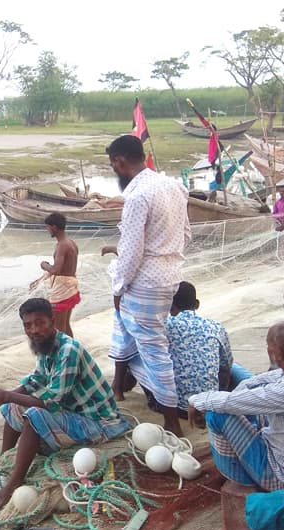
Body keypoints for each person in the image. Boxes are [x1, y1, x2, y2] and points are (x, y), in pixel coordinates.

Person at [0, 298, 128, 512]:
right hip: (74, 413)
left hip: (100, 423)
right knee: (11, 407)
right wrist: (4, 397)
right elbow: (35, 381)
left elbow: (51, 402)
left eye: (40, 323)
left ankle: (11, 486)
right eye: (28, 325)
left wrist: (6, 395)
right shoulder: (45, 346)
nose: (34, 330)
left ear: (53, 321)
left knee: (35, 415)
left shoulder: (69, 350)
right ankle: (0, 464)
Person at [104, 134, 192, 435]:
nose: (115, 171)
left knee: (155, 350)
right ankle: (118, 385)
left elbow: (130, 252)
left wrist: (118, 286)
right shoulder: (174, 186)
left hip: (144, 281)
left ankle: (171, 422)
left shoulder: (137, 195)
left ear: (120, 161)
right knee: (129, 330)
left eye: (113, 165)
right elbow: (186, 234)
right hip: (169, 275)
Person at [188, 321, 284, 493]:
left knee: (216, 414)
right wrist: (241, 389)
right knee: (241, 382)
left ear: (278, 354)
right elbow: (262, 380)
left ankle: (243, 481)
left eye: (269, 347)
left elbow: (228, 403)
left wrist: (195, 400)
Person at [164, 282, 233, 414]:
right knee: (232, 367)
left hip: (179, 407)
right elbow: (226, 365)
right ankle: (220, 395)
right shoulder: (215, 326)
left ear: (170, 306)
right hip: (210, 404)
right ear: (197, 304)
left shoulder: (164, 326)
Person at [31, 212, 80, 337]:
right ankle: (70, 348)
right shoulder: (71, 242)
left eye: (47, 227)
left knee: (57, 327)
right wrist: (40, 280)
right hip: (70, 285)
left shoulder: (62, 246)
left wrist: (44, 264)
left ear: (54, 227)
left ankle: (62, 353)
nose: (47, 230)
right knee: (65, 325)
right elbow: (63, 269)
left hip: (62, 289)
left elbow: (56, 270)